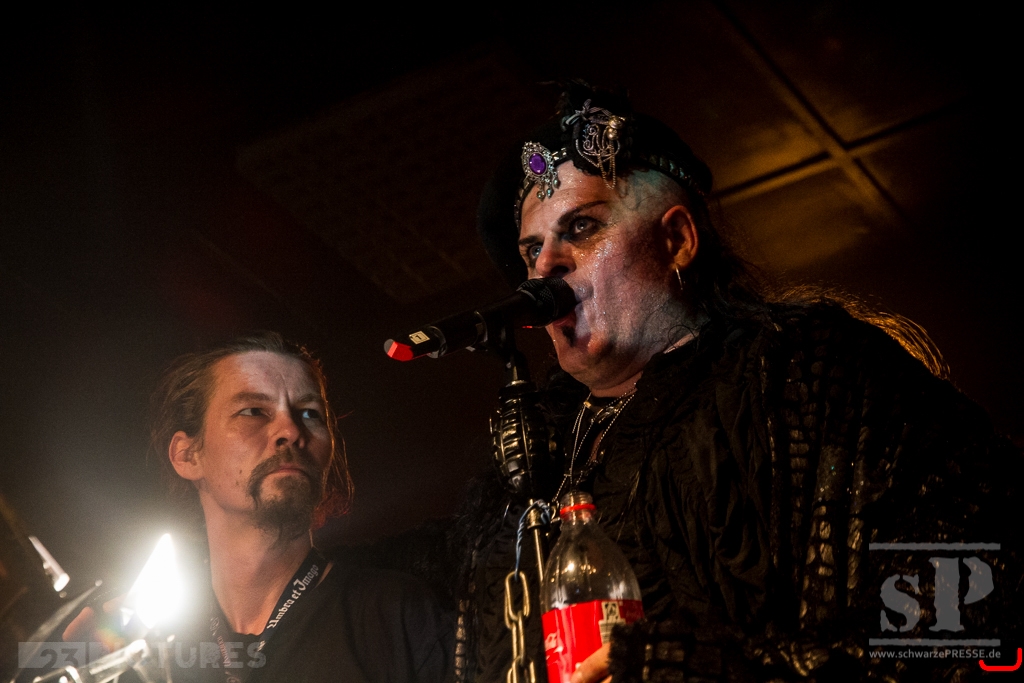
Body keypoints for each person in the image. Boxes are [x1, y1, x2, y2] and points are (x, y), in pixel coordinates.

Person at [442, 82, 1024, 682]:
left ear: (677, 241)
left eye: (583, 228)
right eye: (531, 250)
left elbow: (984, 581)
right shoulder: (521, 476)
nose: (544, 266)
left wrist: (726, 670)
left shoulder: (806, 371)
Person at [64, 332, 451, 683]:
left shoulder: (395, 614)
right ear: (187, 455)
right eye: (253, 411)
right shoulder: (141, 644)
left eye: (310, 414)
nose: (291, 430)